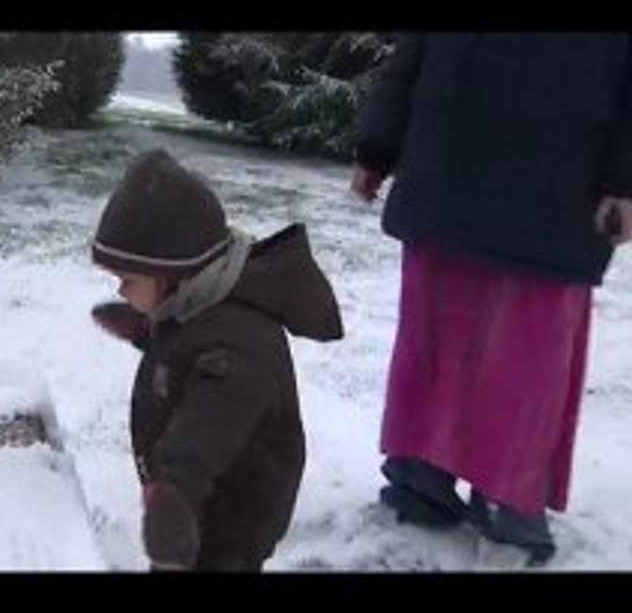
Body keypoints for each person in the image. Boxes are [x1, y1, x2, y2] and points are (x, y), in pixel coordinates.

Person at [351, 33, 632, 565]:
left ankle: (508, 497)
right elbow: (413, 53)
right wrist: (377, 146)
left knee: (525, 357)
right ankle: (421, 474)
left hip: (558, 186)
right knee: (433, 340)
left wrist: (625, 181)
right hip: (446, 167)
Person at [90, 148, 343, 571]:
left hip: (227, 518)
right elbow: (188, 351)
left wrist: (174, 495)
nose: (120, 291)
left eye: (128, 280)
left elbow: (205, 434)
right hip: (197, 504)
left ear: (173, 273)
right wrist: (146, 330)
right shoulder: (196, 303)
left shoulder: (237, 350)